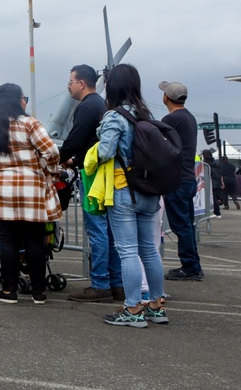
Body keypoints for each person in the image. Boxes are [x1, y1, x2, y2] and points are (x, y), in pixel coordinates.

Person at [0, 83, 61, 305]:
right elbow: (51, 152)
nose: (25, 102)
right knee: (34, 239)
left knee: (8, 239)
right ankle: (38, 292)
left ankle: (9, 291)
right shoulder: (30, 124)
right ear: (16, 100)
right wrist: (50, 172)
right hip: (31, 190)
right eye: (25, 98)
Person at [95, 64, 167, 327]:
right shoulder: (145, 114)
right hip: (149, 191)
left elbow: (105, 152)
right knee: (150, 250)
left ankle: (133, 308)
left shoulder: (115, 116)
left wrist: (100, 132)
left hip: (124, 190)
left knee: (127, 252)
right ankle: (157, 305)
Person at [61, 65, 123, 303]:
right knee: (108, 232)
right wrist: (74, 159)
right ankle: (116, 283)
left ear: (82, 83)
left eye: (70, 81)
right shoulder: (101, 105)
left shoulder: (86, 107)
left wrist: (55, 159)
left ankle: (99, 284)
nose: (68, 86)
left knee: (96, 230)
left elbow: (74, 140)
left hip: (93, 177)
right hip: (105, 176)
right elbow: (91, 143)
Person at [159, 80, 203, 282]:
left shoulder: (171, 119)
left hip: (176, 179)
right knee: (187, 223)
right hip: (188, 178)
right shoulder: (189, 118)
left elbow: (156, 142)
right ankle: (193, 264)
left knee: (181, 225)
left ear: (166, 97)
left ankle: (190, 267)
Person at [205, 149, 223, 217]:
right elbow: (220, 172)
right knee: (216, 196)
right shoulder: (216, 163)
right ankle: (217, 211)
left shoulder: (205, 163)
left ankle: (217, 212)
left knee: (212, 198)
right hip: (217, 181)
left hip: (209, 181)